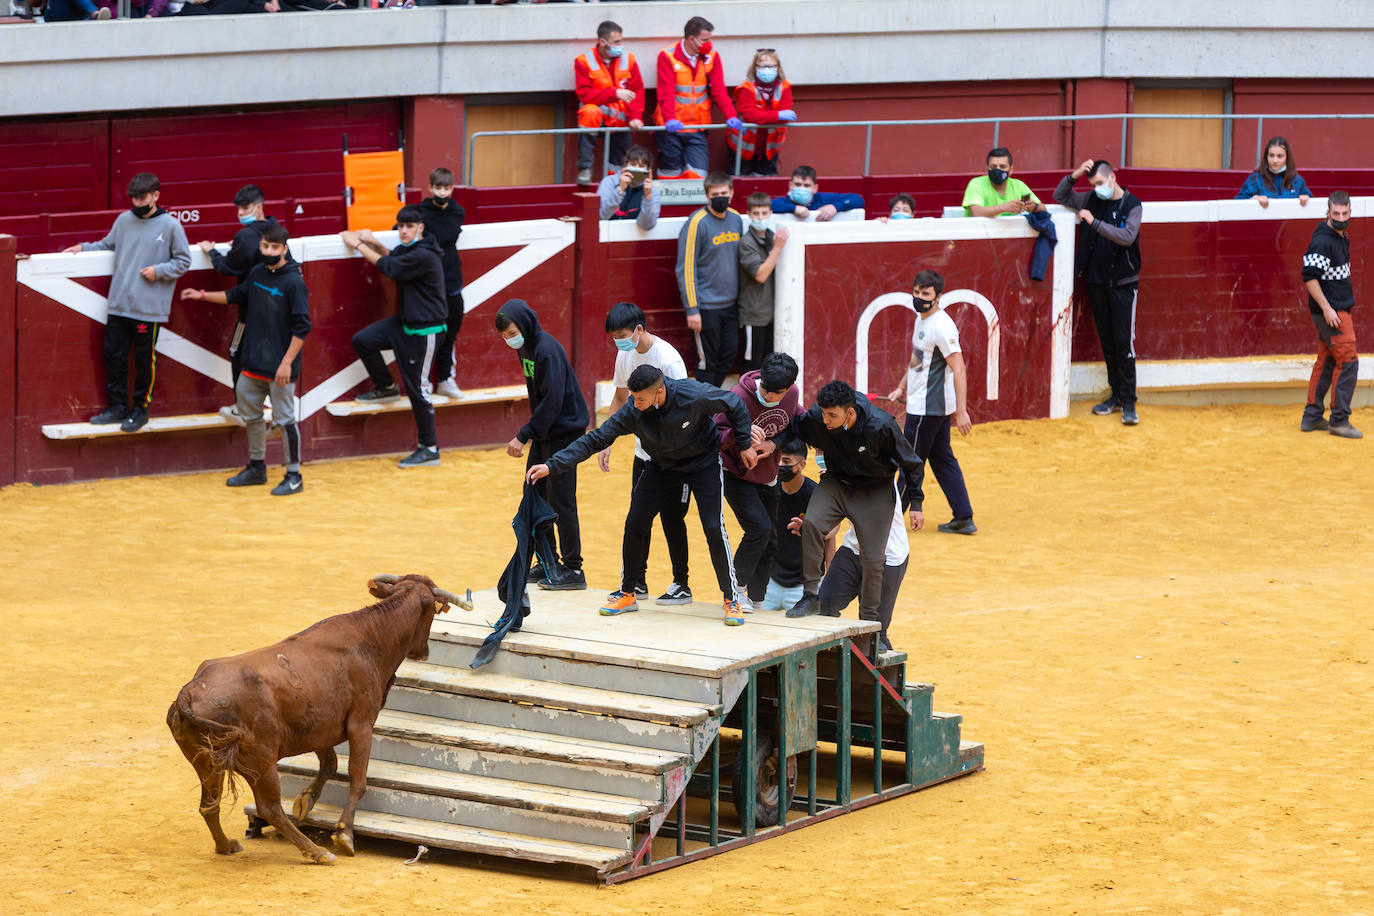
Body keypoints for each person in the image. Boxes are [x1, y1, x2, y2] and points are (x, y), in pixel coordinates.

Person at [528, 365, 756, 626]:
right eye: (633, 398)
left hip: (702, 464)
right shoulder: (633, 410)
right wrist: (552, 465)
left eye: (640, 399)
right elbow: (596, 439)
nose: (635, 404)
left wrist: (744, 443)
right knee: (635, 521)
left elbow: (735, 403)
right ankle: (627, 592)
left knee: (714, 527)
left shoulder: (692, 394)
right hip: (661, 466)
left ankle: (731, 598)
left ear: (659, 393)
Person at [180, 222, 309, 495]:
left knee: (285, 420)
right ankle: (257, 468)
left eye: (274, 247)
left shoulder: (294, 282)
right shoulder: (257, 272)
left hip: (279, 368)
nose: (269, 250)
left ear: (285, 249)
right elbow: (233, 296)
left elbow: (302, 328)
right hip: (253, 363)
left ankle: (294, 476)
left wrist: (286, 363)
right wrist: (201, 295)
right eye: (265, 246)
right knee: (251, 416)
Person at [784, 381, 923, 630]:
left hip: (875, 490)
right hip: (837, 482)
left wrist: (917, 503)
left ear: (850, 412)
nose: (825, 420)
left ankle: (871, 623)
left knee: (872, 558)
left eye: (832, 415)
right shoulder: (818, 418)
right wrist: (771, 443)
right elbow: (791, 428)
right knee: (813, 523)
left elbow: (912, 463)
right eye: (823, 413)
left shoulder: (881, 425)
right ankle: (810, 596)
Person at [65, 171, 191, 433]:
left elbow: (183, 261)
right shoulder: (124, 220)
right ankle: (117, 407)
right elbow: (107, 244)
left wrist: (159, 270)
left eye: (142, 197)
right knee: (114, 356)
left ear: (156, 195)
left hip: (148, 309)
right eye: (133, 198)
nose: (136, 203)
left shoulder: (171, 226)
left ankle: (140, 410)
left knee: (145, 361)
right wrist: (82, 247)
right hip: (119, 304)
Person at [598, 301, 692, 603]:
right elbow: (620, 395)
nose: (619, 341)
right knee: (638, 518)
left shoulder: (669, 361)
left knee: (672, 518)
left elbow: (684, 410)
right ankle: (636, 582)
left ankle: (681, 583)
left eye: (622, 334)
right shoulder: (625, 353)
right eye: (614, 336)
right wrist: (607, 439)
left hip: (677, 456)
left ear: (639, 329)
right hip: (644, 454)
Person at [340, 206, 448, 468]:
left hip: (425, 331)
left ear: (420, 227)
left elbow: (388, 266)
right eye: (400, 226)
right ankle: (386, 387)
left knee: (418, 390)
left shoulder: (424, 254)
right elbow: (394, 260)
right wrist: (374, 241)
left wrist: (357, 245)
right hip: (405, 324)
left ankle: (429, 448)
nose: (403, 231)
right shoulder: (417, 250)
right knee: (363, 341)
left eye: (409, 226)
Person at [496, 298, 591, 589]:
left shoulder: (546, 351)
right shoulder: (526, 348)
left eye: (512, 333)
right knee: (534, 493)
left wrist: (524, 434)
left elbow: (552, 401)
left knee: (562, 500)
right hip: (546, 432)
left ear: (524, 324)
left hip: (564, 433)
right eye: (505, 337)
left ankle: (573, 570)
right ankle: (548, 562)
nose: (510, 340)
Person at [1054, 158, 1144, 426]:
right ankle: (1116, 396)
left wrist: (1093, 223)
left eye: (1100, 183)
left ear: (1113, 177)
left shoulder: (1132, 204)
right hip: (1096, 280)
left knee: (1123, 343)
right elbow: (1060, 195)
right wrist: (1076, 174)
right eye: (1092, 185)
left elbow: (1127, 237)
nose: (1096, 189)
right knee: (1107, 341)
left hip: (1123, 282)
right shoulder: (1091, 199)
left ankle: (1129, 401)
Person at [885, 269, 976, 535]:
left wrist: (962, 411)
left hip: (926, 409)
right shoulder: (922, 320)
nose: (919, 298)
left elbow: (959, 368)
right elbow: (917, 359)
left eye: (925, 294)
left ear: (938, 296)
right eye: (916, 292)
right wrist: (901, 387)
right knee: (942, 458)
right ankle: (963, 516)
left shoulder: (941, 325)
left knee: (908, 462)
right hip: (926, 405)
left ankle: (889, 523)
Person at [716, 352, 803, 611]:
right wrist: (739, 435)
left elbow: (796, 424)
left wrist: (773, 443)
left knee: (772, 537)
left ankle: (757, 596)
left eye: (776, 393)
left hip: (768, 475)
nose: (768, 396)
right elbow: (714, 435)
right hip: (735, 473)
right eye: (765, 389)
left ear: (787, 390)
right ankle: (735, 590)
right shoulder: (738, 397)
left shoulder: (792, 395)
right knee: (759, 529)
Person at [196, 184, 280, 421]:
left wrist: (212, 252)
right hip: (277, 309)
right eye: (239, 209)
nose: (241, 213)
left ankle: (245, 407)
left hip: (252, 310)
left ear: (258, 207)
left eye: (245, 208)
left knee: (236, 352)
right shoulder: (277, 229)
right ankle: (276, 410)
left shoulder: (245, 236)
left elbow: (226, 267)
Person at [1301, 192, 1362, 439]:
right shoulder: (1323, 241)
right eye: (1335, 214)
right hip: (1332, 312)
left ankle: (1312, 417)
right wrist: (1327, 309)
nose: (1340, 218)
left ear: (1350, 212)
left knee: (1327, 360)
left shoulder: (1338, 235)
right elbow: (1309, 277)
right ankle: (1339, 420)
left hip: (1332, 309)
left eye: (1344, 214)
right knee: (1348, 362)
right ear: (1328, 212)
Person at [655, 16, 742, 180]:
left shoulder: (712, 57)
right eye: (705, 40)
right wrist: (669, 119)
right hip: (671, 128)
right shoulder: (667, 56)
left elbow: (719, 90)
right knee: (670, 176)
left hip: (698, 127)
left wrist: (731, 115)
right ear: (691, 39)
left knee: (698, 178)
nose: (709, 44)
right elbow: (665, 93)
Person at [676, 171, 743, 386]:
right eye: (715, 194)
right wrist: (692, 309)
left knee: (729, 355)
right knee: (707, 362)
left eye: (724, 192)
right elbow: (685, 268)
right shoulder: (696, 223)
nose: (720, 197)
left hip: (731, 306)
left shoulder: (736, 219)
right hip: (705, 307)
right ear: (707, 196)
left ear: (731, 192)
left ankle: (713, 406)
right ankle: (705, 414)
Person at [759, 439, 834, 611]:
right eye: (777, 459)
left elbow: (830, 537)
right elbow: (760, 536)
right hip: (770, 581)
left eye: (786, 461)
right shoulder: (769, 490)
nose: (779, 465)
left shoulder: (815, 494)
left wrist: (829, 580)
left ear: (802, 465)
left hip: (804, 587)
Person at [574, 19, 645, 187]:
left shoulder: (629, 59)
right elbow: (584, 94)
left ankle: (617, 187)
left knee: (620, 168)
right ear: (602, 42)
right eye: (617, 42)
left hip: (621, 121)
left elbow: (638, 91)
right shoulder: (583, 61)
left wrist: (636, 117)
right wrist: (614, 94)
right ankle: (585, 168)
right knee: (589, 112)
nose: (621, 45)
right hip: (596, 121)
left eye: (621, 41)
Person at [417, 167, 466, 400]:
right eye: (438, 188)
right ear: (430, 188)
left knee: (451, 332)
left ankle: (446, 378)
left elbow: (441, 237)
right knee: (429, 334)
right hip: (430, 282)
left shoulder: (458, 212)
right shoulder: (420, 212)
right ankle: (422, 383)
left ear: (452, 189)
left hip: (452, 280)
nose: (442, 192)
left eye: (446, 188)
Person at [738, 192, 788, 372]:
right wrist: (777, 248)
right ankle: (744, 399)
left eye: (764, 213)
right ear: (749, 214)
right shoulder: (746, 242)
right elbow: (760, 275)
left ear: (770, 213)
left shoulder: (771, 236)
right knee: (752, 362)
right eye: (756, 213)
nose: (760, 217)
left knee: (769, 361)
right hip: (754, 313)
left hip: (771, 312)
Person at [727, 49, 796, 177]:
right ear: (755, 68)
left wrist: (766, 117)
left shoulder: (784, 88)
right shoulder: (746, 88)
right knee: (740, 185)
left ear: (778, 67)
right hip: (743, 147)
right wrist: (777, 115)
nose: (767, 70)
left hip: (770, 148)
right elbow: (750, 116)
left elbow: (786, 117)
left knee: (766, 186)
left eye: (771, 66)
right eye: (763, 66)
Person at [962, 147, 1044, 217]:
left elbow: (1043, 209)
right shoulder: (976, 184)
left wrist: (1034, 207)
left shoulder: (1018, 186)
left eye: (1002, 166)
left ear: (1011, 170)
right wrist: (1004, 208)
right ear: (987, 169)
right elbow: (977, 212)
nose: (997, 170)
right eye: (993, 167)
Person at [1236, 137, 1312, 209]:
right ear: (1266, 156)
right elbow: (1237, 205)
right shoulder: (1254, 179)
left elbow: (1311, 203)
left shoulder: (1297, 180)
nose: (1275, 160)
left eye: (1280, 156)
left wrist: (1306, 199)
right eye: (1271, 155)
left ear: (1287, 158)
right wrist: (1252, 200)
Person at [597, 145, 660, 229]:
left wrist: (648, 197)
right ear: (625, 166)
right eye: (633, 165)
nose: (637, 169)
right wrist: (620, 189)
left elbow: (646, 226)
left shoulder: (652, 190)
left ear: (648, 170)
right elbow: (602, 216)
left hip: (637, 237)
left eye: (641, 166)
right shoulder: (609, 182)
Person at [771, 165, 864, 222]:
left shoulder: (822, 199)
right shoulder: (784, 202)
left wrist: (835, 207)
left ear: (815, 188)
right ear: (790, 185)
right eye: (798, 184)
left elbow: (857, 199)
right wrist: (793, 208)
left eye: (806, 185)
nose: (802, 188)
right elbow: (768, 205)